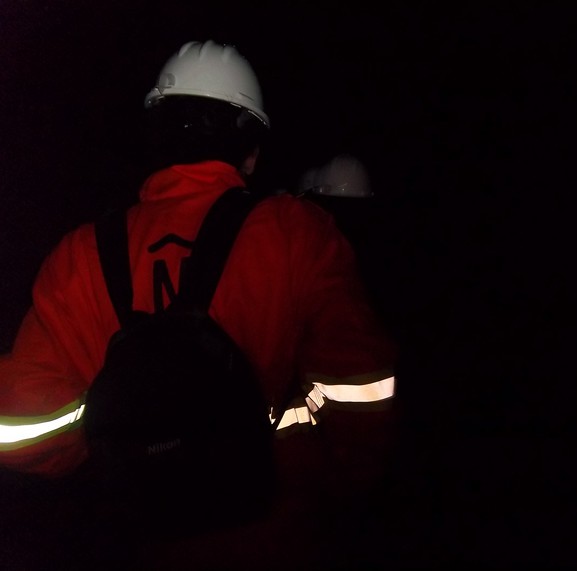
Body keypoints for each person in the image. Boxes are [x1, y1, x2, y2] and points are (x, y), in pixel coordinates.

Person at [0, 40, 398, 570]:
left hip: (150, 542)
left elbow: (20, 430)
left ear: (156, 136)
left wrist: (117, 434)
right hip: (280, 534)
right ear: (251, 152)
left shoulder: (79, 256)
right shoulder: (296, 233)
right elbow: (360, 390)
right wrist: (345, 482)